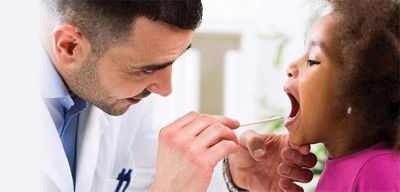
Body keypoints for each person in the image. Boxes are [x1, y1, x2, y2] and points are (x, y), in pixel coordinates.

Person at [39, 0, 317, 191]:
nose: (165, 88)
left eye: (174, 61)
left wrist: (230, 175)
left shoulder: (120, 93)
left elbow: (144, 180)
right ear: (70, 46)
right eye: (147, 69)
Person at [280, 0, 399, 191]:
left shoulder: (377, 171)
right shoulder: (342, 167)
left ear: (355, 91)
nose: (291, 67)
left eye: (312, 60)